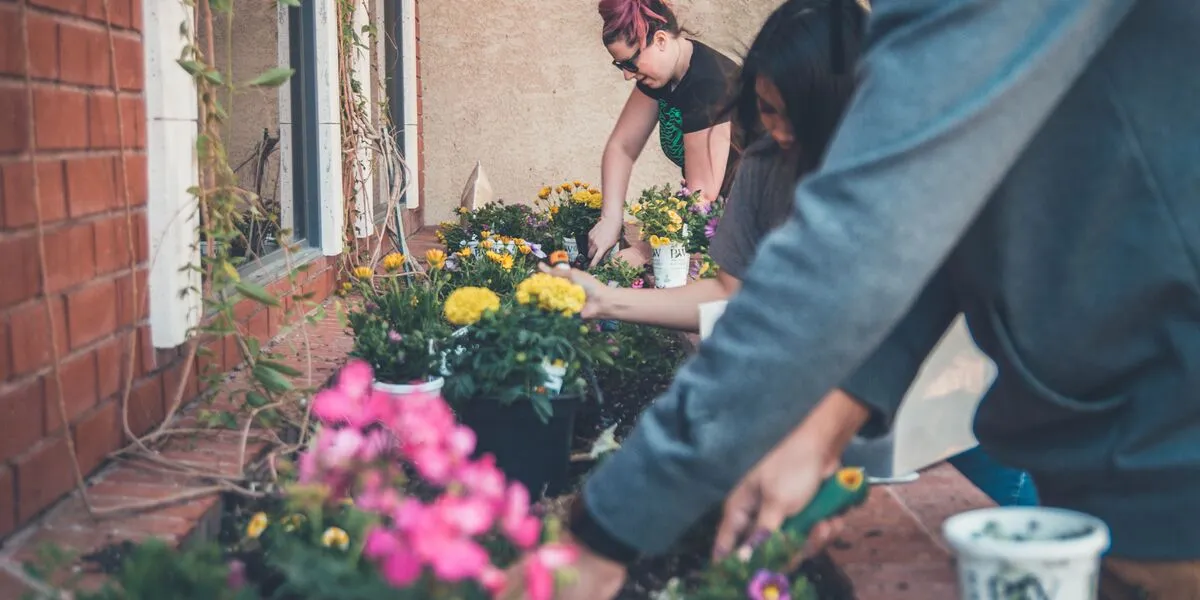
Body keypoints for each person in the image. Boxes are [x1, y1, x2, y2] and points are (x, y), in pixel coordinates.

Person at [515, 0, 1200, 598]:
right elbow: (924, 239)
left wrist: (609, 527)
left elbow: (866, 238)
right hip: (1106, 443)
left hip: (1161, 446)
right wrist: (820, 431)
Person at [556, 0, 1038, 509]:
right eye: (766, 110)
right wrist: (606, 300)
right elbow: (726, 294)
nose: (777, 132)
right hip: (856, 420)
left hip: (968, 408)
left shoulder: (914, 163)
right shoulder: (766, 165)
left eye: (793, 115)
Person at [587, 0, 741, 267]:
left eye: (631, 63)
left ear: (660, 40)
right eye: (619, 65)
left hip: (766, 216)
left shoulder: (708, 85)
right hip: (723, 219)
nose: (626, 75)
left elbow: (700, 198)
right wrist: (610, 218)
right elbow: (622, 147)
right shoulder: (663, 75)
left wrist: (643, 252)